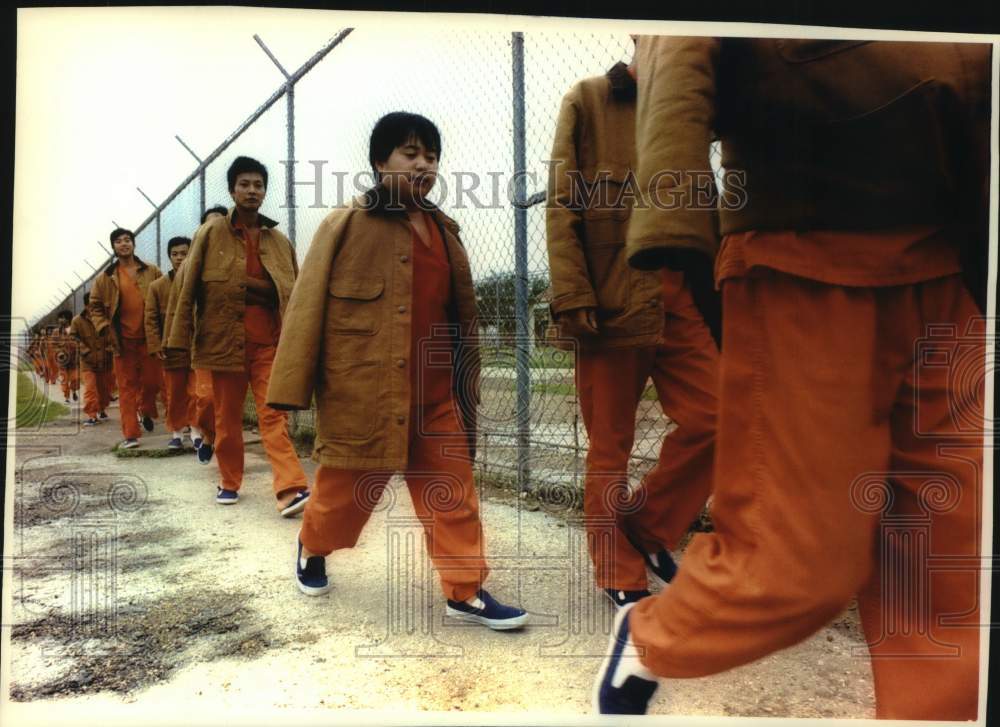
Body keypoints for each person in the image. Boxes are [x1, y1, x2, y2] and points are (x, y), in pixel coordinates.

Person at [593, 37, 990, 721]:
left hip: (951, 264)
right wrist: (677, 232)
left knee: (948, 560)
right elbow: (677, 50)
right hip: (805, 253)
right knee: (796, 562)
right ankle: (654, 633)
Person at [266, 112, 528, 630]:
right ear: (379, 161)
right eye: (410, 154)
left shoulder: (444, 231)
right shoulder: (345, 224)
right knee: (342, 496)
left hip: (435, 396)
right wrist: (290, 389)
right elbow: (305, 307)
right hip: (366, 392)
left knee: (451, 492)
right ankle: (312, 545)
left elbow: (460, 320)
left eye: (431, 156)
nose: (423, 164)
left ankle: (465, 589)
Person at [547, 41, 718, 608]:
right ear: (640, 36)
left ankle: (643, 531)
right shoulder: (591, 100)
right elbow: (561, 201)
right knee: (610, 446)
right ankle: (615, 564)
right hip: (613, 296)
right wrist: (572, 289)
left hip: (681, 294)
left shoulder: (697, 104)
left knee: (721, 419)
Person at [167, 157, 309, 514]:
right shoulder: (211, 233)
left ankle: (291, 488)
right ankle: (229, 480)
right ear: (232, 190)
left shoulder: (278, 241)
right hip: (223, 344)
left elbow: (293, 291)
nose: (252, 191)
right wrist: (177, 340)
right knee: (226, 419)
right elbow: (187, 288)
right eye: (244, 184)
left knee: (273, 416)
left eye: (258, 185)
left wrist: (256, 290)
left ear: (264, 191)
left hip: (269, 344)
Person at [89, 228, 163, 448]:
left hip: (150, 338)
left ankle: (146, 408)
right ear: (113, 247)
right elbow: (94, 306)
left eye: (127, 240)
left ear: (133, 244)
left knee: (152, 383)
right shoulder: (105, 277)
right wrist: (103, 328)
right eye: (119, 241)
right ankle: (131, 434)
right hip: (121, 341)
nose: (124, 244)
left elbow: (164, 296)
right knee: (126, 387)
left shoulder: (152, 270)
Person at [145, 236, 203, 450]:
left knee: (197, 392)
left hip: (197, 347)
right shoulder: (157, 286)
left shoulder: (200, 281)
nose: (180, 258)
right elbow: (150, 318)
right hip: (171, 348)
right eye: (175, 254)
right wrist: (156, 345)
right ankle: (177, 432)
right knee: (174, 392)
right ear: (169, 257)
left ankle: (196, 431)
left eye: (184, 253)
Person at [71, 293, 115, 426]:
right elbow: (73, 339)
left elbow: (112, 335)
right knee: (90, 389)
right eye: (92, 303)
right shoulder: (77, 321)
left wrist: (109, 349)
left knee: (104, 389)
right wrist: (85, 351)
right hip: (87, 362)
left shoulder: (105, 319)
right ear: (86, 305)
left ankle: (101, 409)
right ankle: (92, 415)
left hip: (104, 360)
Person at [54, 310, 80, 404]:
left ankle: (73, 391)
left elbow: (79, 342)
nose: (60, 320)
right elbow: (54, 345)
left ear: (68, 318)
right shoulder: (56, 332)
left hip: (74, 359)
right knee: (64, 379)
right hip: (63, 360)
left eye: (62, 317)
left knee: (75, 379)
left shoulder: (75, 329)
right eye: (59, 318)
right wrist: (59, 352)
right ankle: (67, 397)